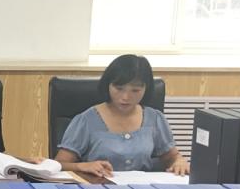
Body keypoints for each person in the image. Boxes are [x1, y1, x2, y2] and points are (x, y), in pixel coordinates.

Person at [55, 54, 188, 178]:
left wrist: (179, 161)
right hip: (97, 188)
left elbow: (171, 157)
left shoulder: (155, 118)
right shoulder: (86, 120)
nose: (125, 97)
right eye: (119, 89)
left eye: (135, 90)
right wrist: (83, 166)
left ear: (146, 89)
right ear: (108, 85)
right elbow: (59, 164)